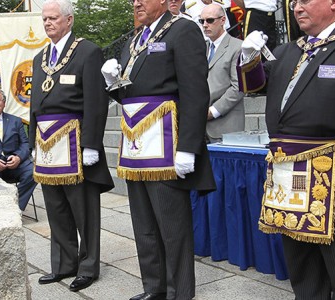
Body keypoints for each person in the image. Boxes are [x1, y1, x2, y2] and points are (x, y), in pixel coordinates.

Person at [236, 0, 335, 297]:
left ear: (334, 3)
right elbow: (254, 86)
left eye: (305, 0)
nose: (297, 7)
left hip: (332, 176)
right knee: (303, 272)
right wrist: (248, 58)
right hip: (287, 179)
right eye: (294, 2)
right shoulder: (286, 51)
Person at [100, 0, 216, 297]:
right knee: (144, 224)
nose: (136, 2)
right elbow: (131, 97)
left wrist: (189, 147)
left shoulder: (182, 30)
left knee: (172, 227)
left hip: (167, 142)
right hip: (137, 146)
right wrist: (113, 83)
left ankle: (180, 292)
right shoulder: (134, 40)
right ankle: (155, 288)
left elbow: (195, 90)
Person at [30, 0, 115, 293]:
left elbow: (96, 100)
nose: (47, 23)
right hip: (46, 143)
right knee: (55, 207)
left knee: (83, 210)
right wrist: (33, 144)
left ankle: (88, 266)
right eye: (44, 19)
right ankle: (64, 264)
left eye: (53, 18)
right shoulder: (39, 56)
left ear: (68, 20)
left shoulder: (87, 51)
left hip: (76, 140)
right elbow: (34, 106)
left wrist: (92, 144)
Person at [201, 3, 246, 143]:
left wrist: (213, 111)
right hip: (200, 127)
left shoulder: (238, 46)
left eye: (209, 20)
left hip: (226, 126)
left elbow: (239, 86)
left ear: (223, 20)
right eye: (201, 21)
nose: (204, 25)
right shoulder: (202, 48)